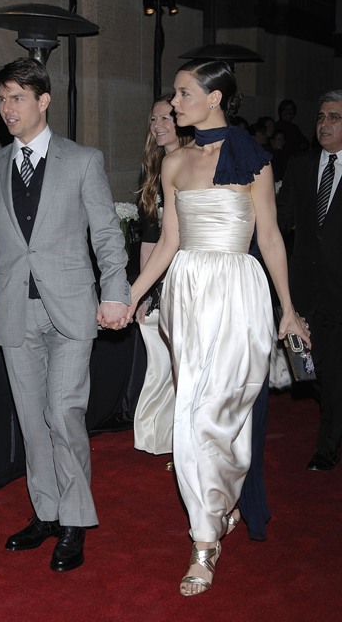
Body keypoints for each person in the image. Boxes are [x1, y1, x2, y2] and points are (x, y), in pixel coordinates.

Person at [0, 57, 130, 572]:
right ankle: (46, 511)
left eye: (17, 97)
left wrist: (116, 292)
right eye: (2, 99)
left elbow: (106, 234)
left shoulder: (83, 160)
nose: (8, 108)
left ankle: (75, 519)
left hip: (72, 308)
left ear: (43, 101)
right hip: (14, 312)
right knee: (31, 418)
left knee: (63, 412)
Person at [126, 60, 310, 596]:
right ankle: (205, 539)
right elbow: (169, 242)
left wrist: (288, 308)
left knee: (221, 412)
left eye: (184, 93)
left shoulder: (253, 160)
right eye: (175, 94)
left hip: (238, 292)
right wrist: (131, 295)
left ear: (215, 98)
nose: (174, 103)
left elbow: (270, 237)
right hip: (187, 292)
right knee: (190, 414)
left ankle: (221, 502)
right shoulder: (174, 162)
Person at [277, 90, 342, 472]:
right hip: (302, 289)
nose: (324, 124)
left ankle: (328, 445)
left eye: (334, 117)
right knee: (309, 369)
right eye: (320, 117)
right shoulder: (300, 165)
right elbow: (281, 218)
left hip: (338, 292)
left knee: (332, 372)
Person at [134, 95, 192, 456]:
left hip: (190, 274)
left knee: (186, 359)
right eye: (153, 119)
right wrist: (144, 292)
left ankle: (187, 436)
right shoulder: (152, 169)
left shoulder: (195, 162)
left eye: (166, 118)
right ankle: (165, 433)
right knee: (162, 358)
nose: (158, 125)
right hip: (159, 275)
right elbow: (149, 237)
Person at [274, 98, 309, 178]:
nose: (289, 112)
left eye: (291, 110)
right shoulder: (276, 127)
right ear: (281, 112)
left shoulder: (294, 128)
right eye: (286, 110)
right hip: (281, 166)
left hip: (294, 165)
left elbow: (305, 143)